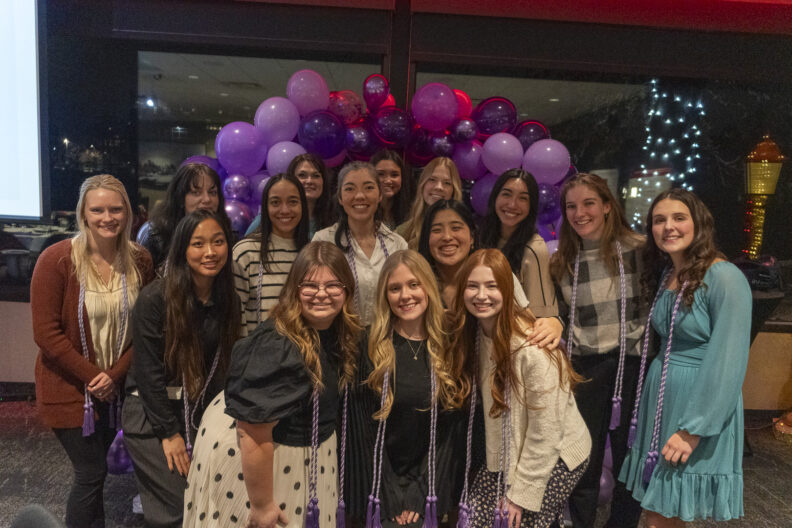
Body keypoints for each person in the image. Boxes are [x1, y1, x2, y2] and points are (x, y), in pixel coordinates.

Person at [183, 241, 362, 528]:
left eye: (333, 285)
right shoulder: (279, 346)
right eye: (310, 285)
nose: (321, 294)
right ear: (294, 290)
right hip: (263, 462)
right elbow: (253, 430)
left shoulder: (337, 331)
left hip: (301, 453)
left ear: (347, 290)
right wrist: (263, 505)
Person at [619, 189, 752, 527]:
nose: (668, 227)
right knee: (655, 513)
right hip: (663, 397)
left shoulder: (724, 277)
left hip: (697, 404)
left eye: (679, 218)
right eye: (659, 220)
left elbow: (728, 360)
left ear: (699, 224)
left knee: (665, 514)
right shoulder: (669, 275)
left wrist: (694, 428)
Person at [31, 174, 154, 528]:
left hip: (114, 388)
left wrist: (113, 378)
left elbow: (146, 329)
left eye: (116, 209)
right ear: (83, 214)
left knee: (96, 474)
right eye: (97, 209)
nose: (107, 217)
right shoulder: (56, 260)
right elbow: (46, 334)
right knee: (90, 471)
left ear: (128, 213)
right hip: (69, 388)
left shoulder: (140, 260)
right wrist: (94, 378)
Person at [449, 249, 591, 528]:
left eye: (492, 286)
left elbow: (546, 430)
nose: (481, 295)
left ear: (508, 290)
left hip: (556, 453)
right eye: (472, 286)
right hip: (508, 451)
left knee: (517, 521)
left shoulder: (531, 349)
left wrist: (520, 495)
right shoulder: (476, 335)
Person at [123, 210, 240, 528]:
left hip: (198, 412)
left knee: (212, 503)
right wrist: (169, 434)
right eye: (198, 243)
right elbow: (147, 374)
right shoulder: (155, 299)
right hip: (152, 416)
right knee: (178, 509)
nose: (210, 252)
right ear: (181, 249)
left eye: (218, 242)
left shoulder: (227, 298)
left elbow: (222, 368)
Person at [549, 173, 646, 528]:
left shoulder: (639, 250)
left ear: (607, 206)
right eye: (571, 206)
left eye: (589, 203)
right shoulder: (563, 260)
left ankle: (621, 523)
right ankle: (579, 521)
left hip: (631, 365)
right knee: (582, 455)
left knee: (627, 454)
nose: (580, 213)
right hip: (585, 366)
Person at [346, 250, 463, 527]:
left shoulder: (450, 344)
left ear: (428, 287)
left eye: (414, 284)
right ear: (385, 296)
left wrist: (419, 491)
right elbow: (363, 428)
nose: (405, 295)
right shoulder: (369, 344)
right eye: (395, 288)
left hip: (430, 486)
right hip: (380, 487)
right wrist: (390, 493)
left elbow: (449, 432)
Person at [417, 200, 561, 350]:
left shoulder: (498, 274)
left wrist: (553, 323)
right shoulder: (416, 285)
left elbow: (529, 325)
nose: (447, 237)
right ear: (427, 239)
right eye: (436, 230)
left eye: (456, 228)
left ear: (472, 237)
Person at [312, 161, 408, 325]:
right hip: (338, 339)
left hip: (386, 338)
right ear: (340, 198)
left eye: (368, 187)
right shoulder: (323, 242)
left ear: (379, 196)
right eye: (350, 188)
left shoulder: (397, 244)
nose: (360, 196)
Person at [232, 173, 311, 334]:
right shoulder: (245, 252)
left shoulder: (311, 252)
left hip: (305, 354)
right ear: (265, 207)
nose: (284, 210)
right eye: (275, 202)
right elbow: (235, 317)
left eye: (293, 202)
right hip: (258, 354)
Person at [479, 169, 558, 318]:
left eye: (523, 198)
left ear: (531, 206)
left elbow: (541, 316)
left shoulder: (534, 248)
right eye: (506, 194)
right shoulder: (482, 240)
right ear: (495, 197)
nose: (512, 204)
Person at [138, 162, 229, 272]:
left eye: (212, 192)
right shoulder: (153, 233)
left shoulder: (225, 230)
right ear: (180, 198)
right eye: (196, 192)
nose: (207, 199)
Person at [246, 153, 335, 238]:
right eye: (302, 175)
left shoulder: (333, 220)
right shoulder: (268, 219)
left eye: (316, 176)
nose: (309, 181)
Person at [396, 157, 462, 249]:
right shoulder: (403, 232)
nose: (439, 187)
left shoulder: (463, 232)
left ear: (454, 190)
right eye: (432, 180)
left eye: (447, 183)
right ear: (422, 185)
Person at [371, 149, 414, 229]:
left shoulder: (411, 212)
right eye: (381, 174)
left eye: (394, 175)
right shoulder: (364, 210)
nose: (388, 180)